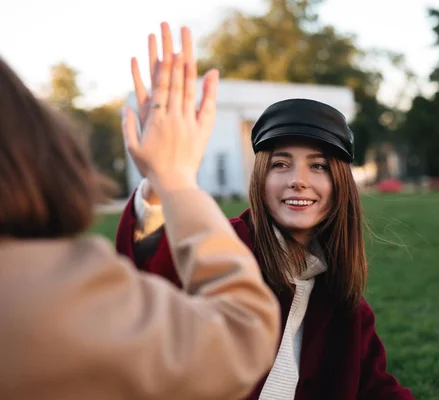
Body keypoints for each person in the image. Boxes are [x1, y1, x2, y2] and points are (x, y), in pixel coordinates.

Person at [116, 24, 415, 400]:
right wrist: (162, 182)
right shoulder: (222, 247)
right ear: (260, 177)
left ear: (341, 183)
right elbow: (151, 271)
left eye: (318, 166)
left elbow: (375, 389)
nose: (298, 181)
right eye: (281, 164)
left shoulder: (347, 305)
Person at [0, 23, 281, 400]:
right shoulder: (42, 296)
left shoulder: (346, 296)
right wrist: (175, 179)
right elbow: (242, 334)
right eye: (280, 164)